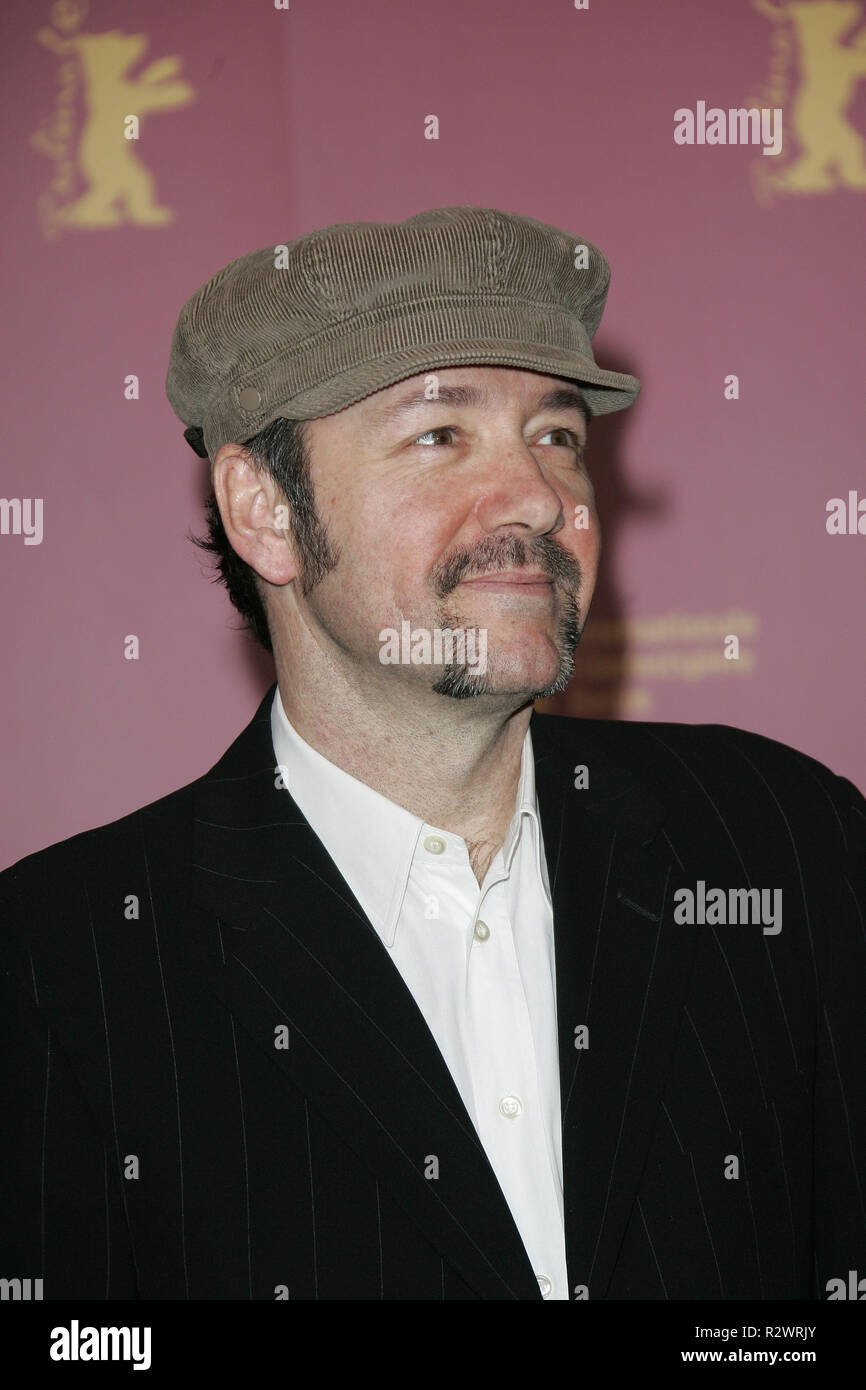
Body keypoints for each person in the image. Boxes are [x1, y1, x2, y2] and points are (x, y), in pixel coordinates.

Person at [1, 206, 864, 1301]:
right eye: (438, 434)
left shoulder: (779, 843)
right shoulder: (62, 967)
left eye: (555, 434)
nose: (542, 499)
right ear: (264, 512)